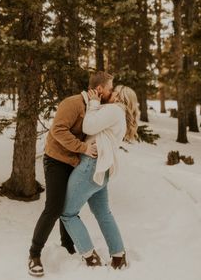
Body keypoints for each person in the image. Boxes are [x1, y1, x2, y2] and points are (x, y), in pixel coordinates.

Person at [28, 71, 114, 277]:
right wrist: (83, 148)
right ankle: (34, 254)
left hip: (74, 162)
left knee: (69, 207)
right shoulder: (73, 103)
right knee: (54, 207)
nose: (112, 92)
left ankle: (67, 248)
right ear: (100, 89)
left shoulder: (96, 108)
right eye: (110, 88)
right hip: (57, 161)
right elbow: (58, 130)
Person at [60, 85, 139, 269]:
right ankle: (118, 255)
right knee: (103, 213)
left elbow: (88, 125)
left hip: (91, 165)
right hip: (102, 168)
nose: (110, 92)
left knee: (67, 213)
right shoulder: (120, 115)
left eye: (114, 90)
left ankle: (89, 256)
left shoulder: (114, 110)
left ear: (119, 96)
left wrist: (94, 102)